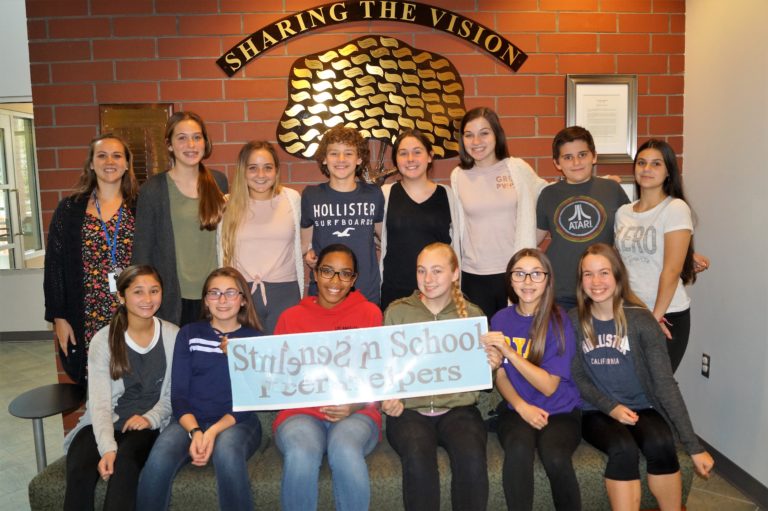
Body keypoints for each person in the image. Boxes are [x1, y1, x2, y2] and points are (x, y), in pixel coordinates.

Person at [571, 243, 714, 510]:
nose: (596, 281)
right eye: (588, 274)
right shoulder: (573, 322)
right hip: (595, 410)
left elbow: (665, 383)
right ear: (581, 281)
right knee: (622, 449)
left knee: (661, 443)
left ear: (618, 276)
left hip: (642, 406)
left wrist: (693, 446)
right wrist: (611, 408)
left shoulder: (642, 321)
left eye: (604, 272)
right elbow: (576, 376)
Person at [381, 242, 500, 511]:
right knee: (417, 458)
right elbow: (384, 369)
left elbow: (482, 381)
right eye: (421, 271)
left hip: (459, 409)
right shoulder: (398, 312)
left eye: (437, 271)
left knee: (472, 457)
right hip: (409, 411)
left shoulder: (472, 316)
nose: (428, 279)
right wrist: (388, 397)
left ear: (455, 273)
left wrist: (491, 366)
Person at [137, 267, 263, 511]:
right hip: (189, 420)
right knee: (158, 459)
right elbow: (179, 395)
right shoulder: (189, 334)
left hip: (238, 421)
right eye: (214, 293)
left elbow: (251, 398)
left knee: (227, 454)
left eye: (230, 293)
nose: (222, 300)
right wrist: (195, 431)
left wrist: (212, 432)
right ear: (205, 300)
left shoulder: (255, 340)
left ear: (243, 300)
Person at [273, 243, 383, 511]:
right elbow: (274, 377)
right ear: (315, 273)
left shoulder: (370, 314)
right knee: (301, 452)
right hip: (300, 413)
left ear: (354, 279)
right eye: (327, 271)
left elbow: (380, 376)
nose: (335, 281)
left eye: (345, 274)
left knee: (345, 449)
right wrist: (240, 356)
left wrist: (355, 404)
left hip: (357, 412)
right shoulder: (290, 318)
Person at [63, 265, 178, 511]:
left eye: (154, 291)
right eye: (138, 292)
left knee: (125, 466)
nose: (148, 299)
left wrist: (150, 418)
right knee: (79, 469)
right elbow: (100, 405)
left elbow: (173, 394)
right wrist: (107, 448)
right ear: (121, 296)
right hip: (103, 422)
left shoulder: (173, 336)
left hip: (145, 426)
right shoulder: (103, 340)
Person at [484, 248, 582, 510]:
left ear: (548, 279)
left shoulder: (560, 320)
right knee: (518, 450)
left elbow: (549, 386)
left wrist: (509, 352)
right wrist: (521, 406)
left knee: (556, 456)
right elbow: (500, 374)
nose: (527, 282)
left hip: (560, 411)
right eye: (519, 274)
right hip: (516, 409)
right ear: (510, 279)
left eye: (536, 274)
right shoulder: (500, 319)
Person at [44, 133, 138, 386]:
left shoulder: (140, 206)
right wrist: (59, 317)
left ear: (127, 164)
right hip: (85, 314)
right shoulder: (69, 209)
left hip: (132, 311)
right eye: (102, 155)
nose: (110, 161)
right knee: (96, 383)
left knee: (134, 381)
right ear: (91, 164)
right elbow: (54, 266)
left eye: (117, 155)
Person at [450, 107, 548, 318]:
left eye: (484, 133)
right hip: (473, 275)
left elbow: (549, 194)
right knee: (481, 337)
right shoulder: (458, 176)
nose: (476, 141)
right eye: (469, 135)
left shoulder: (517, 168)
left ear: (497, 135)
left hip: (514, 274)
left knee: (515, 334)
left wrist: (593, 182)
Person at [132, 111, 228, 327]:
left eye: (197, 137)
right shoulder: (153, 189)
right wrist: (141, 295)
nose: (191, 145)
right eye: (182, 138)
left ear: (205, 142)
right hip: (173, 298)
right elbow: (142, 250)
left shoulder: (218, 182)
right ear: (169, 144)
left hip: (215, 296)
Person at [614, 139, 696, 372]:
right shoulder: (623, 213)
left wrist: (654, 318)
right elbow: (621, 266)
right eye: (641, 163)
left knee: (657, 387)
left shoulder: (675, 208)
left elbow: (671, 271)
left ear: (668, 171)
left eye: (656, 164)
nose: (647, 169)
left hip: (666, 314)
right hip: (629, 312)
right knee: (628, 385)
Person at [536, 126, 630, 310]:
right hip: (560, 289)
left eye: (582, 154)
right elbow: (533, 238)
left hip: (601, 287)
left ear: (594, 156)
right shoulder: (548, 194)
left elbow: (632, 230)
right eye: (567, 157)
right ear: (557, 163)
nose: (576, 162)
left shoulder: (611, 189)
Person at [219, 140, 303, 334]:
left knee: (283, 350)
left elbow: (303, 242)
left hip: (285, 292)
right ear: (243, 171)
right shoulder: (227, 204)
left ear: (276, 170)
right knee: (245, 351)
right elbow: (221, 252)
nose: (261, 175)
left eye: (268, 168)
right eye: (253, 168)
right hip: (241, 294)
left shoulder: (292, 199)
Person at [300, 126, 384, 305]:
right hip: (325, 292)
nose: (341, 159)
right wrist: (309, 253)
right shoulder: (311, 195)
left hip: (365, 291)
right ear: (324, 158)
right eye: (334, 153)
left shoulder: (373, 195)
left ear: (359, 158)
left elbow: (383, 238)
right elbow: (304, 244)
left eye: (348, 153)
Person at [379, 130, 458, 311]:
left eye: (417, 152)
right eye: (403, 153)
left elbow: (457, 244)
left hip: (438, 291)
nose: (410, 159)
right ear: (396, 160)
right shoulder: (386, 194)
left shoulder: (448, 195)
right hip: (396, 292)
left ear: (430, 156)